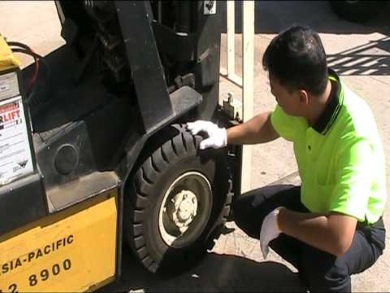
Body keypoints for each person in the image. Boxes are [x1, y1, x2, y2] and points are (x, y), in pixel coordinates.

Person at [186, 25, 386, 292]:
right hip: (315, 203)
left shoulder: (354, 137)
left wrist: (284, 220)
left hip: (360, 228)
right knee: (247, 210)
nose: (276, 102)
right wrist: (223, 135)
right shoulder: (309, 105)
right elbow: (269, 125)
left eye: (278, 96)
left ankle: (318, 269)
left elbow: (339, 236)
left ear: (302, 97)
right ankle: (312, 261)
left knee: (326, 263)